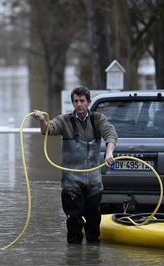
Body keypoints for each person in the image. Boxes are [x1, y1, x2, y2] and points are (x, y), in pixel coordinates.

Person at [34, 86, 117, 244]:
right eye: (76, 101)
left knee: (93, 224)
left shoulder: (98, 119)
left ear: (88, 102)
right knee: (74, 224)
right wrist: (42, 121)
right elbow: (48, 130)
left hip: (94, 182)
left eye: (82, 101)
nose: (79, 104)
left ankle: (93, 260)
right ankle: (74, 262)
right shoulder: (64, 120)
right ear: (73, 102)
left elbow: (110, 133)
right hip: (71, 183)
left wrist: (109, 152)